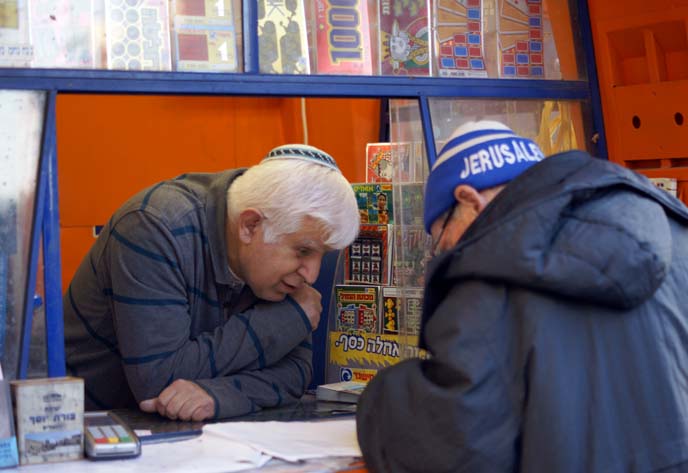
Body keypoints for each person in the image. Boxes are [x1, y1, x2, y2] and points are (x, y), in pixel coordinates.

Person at [356, 120, 688, 472]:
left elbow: (453, 446)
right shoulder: (677, 231)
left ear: (469, 201)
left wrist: (378, 404)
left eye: (442, 237)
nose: (445, 252)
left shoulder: (494, 272)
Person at [64, 144, 359, 421]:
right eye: (303, 250)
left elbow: (295, 372)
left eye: (322, 255)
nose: (312, 275)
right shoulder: (154, 226)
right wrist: (287, 320)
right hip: (80, 429)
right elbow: (158, 380)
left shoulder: (273, 262)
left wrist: (218, 395)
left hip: (180, 439)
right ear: (249, 225)